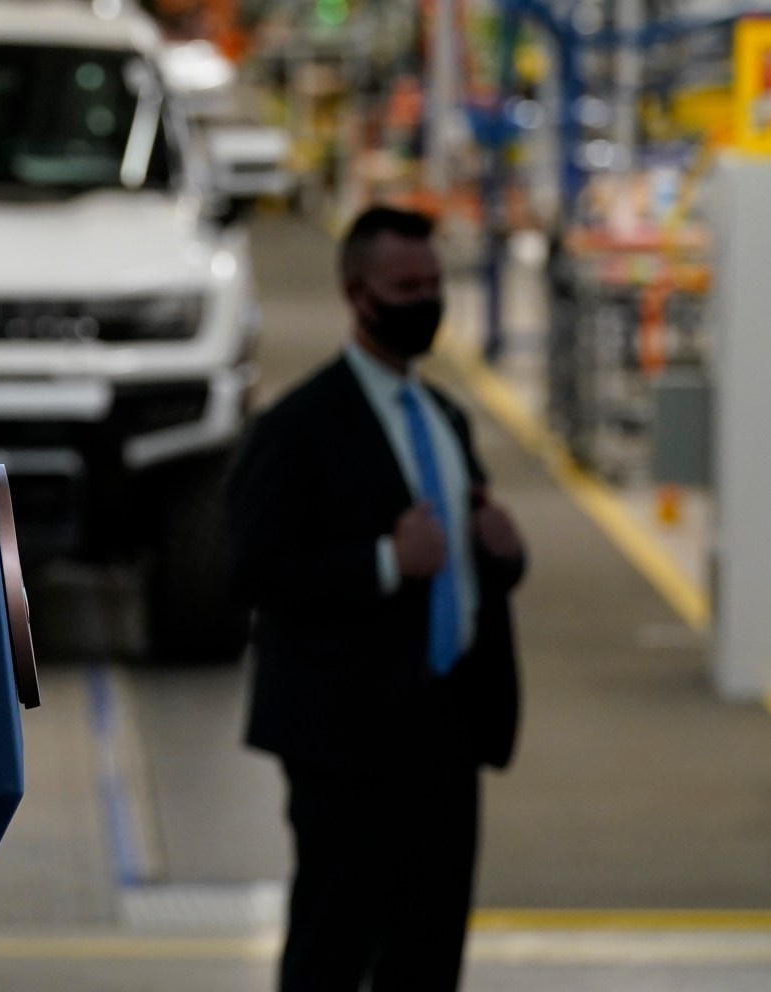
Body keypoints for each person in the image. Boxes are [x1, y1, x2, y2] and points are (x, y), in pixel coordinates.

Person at [227, 205, 527, 992]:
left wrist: (505, 552)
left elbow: (466, 566)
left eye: (434, 284)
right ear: (357, 295)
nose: (426, 301)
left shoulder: (446, 418)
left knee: (429, 949)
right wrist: (386, 561)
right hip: (345, 734)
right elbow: (254, 571)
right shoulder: (298, 428)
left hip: (446, 724)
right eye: (406, 286)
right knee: (335, 941)